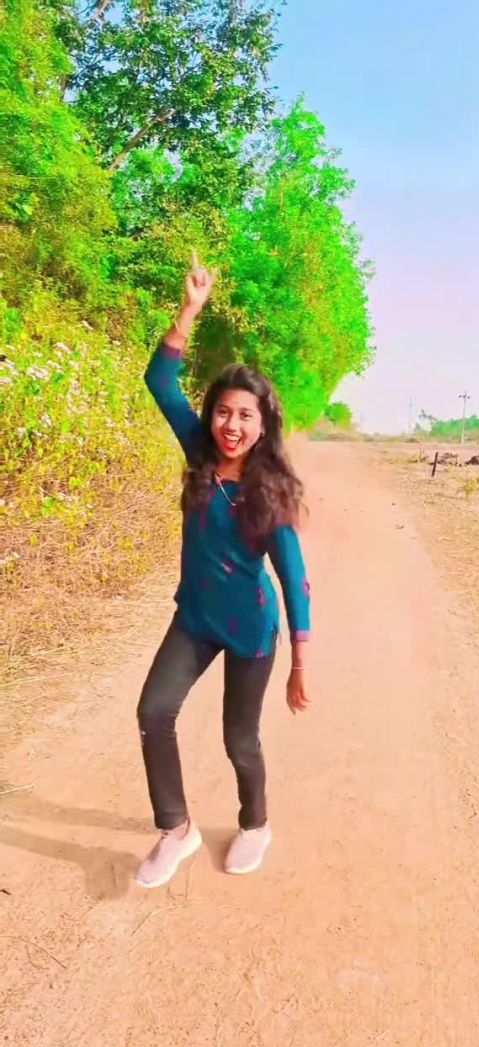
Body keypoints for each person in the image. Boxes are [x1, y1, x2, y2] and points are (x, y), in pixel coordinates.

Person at [135, 258, 311, 888]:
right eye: (224, 413)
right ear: (212, 416)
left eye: (245, 417)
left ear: (262, 427)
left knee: (240, 740)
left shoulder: (271, 493)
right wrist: (190, 310)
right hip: (196, 617)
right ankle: (176, 829)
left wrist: (299, 662)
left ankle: (255, 824)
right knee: (154, 711)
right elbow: (160, 381)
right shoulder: (200, 452)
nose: (232, 426)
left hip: (250, 629)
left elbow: (293, 578)